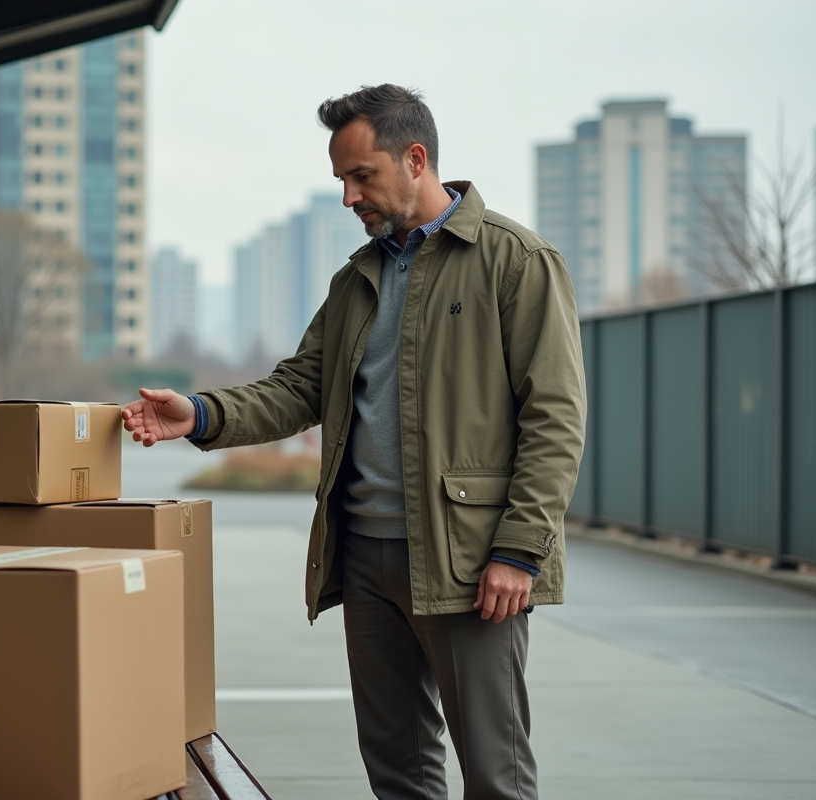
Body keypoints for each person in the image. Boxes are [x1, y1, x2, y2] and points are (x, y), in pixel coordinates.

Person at [122, 84, 586, 800]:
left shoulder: (516, 261)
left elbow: (554, 417)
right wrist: (201, 413)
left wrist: (519, 551)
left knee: (495, 775)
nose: (348, 197)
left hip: (471, 561)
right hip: (366, 556)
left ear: (416, 159)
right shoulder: (357, 281)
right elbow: (299, 387)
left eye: (360, 176)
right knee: (397, 770)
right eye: (341, 179)